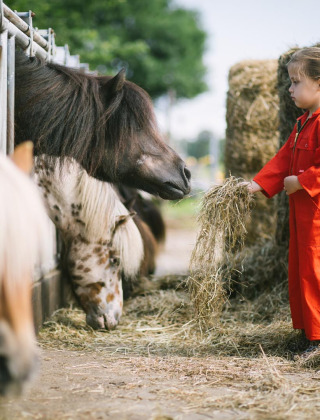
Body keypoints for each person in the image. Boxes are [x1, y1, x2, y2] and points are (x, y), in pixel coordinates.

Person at [245, 47, 320, 350]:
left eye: (296, 82)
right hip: (302, 215)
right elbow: (281, 160)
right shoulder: (303, 123)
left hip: (317, 215)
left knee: (315, 271)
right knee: (301, 270)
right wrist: (254, 185)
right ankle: (307, 331)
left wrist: (300, 181)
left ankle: (318, 338)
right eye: (289, 82)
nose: (289, 89)